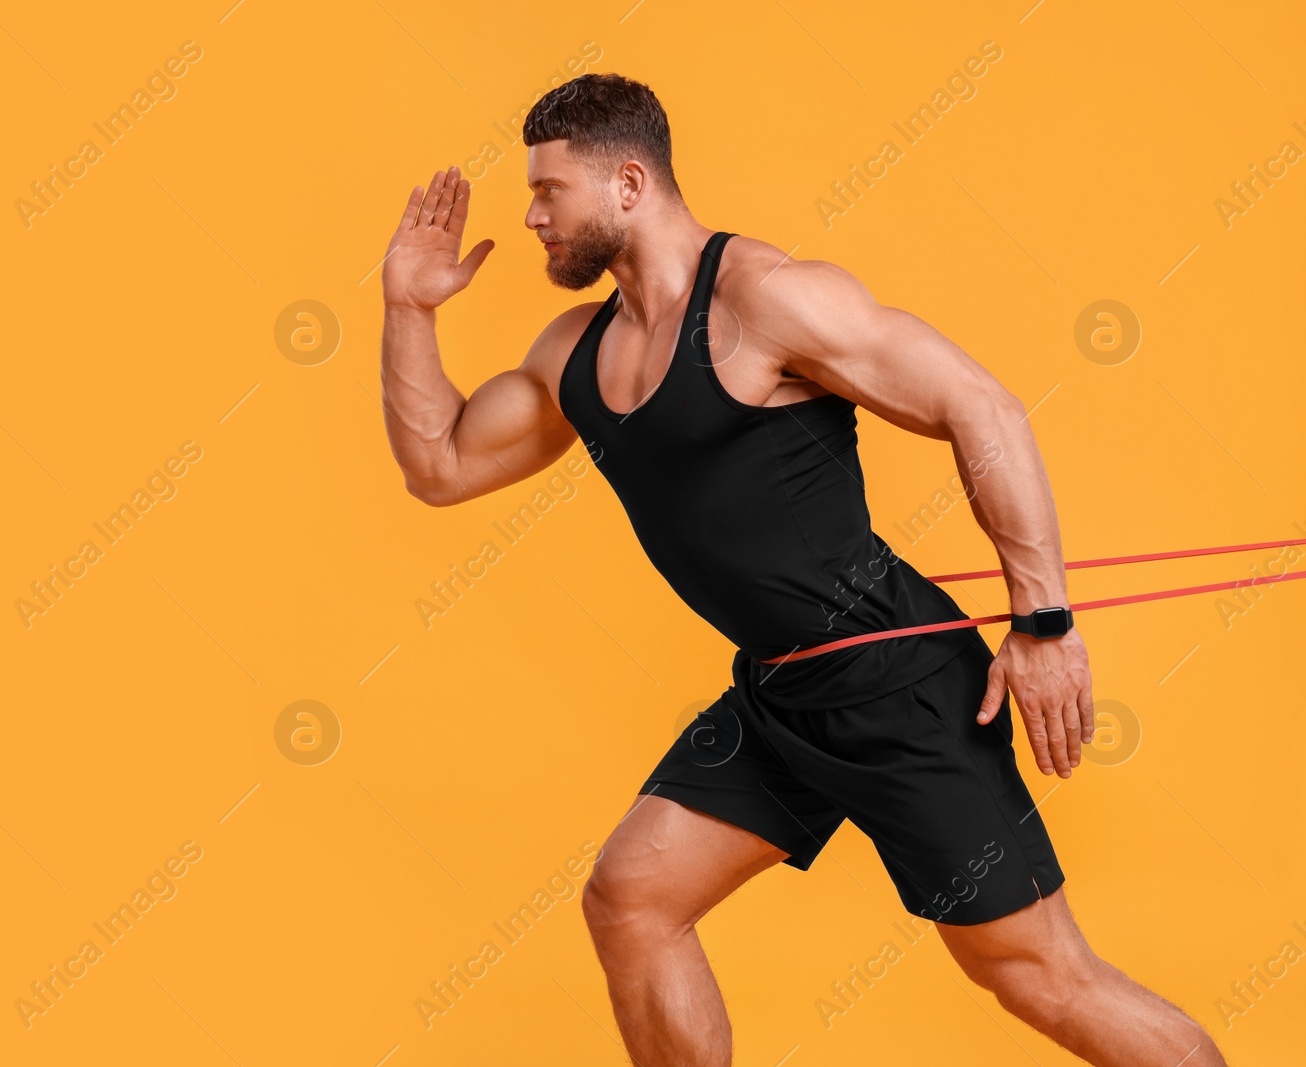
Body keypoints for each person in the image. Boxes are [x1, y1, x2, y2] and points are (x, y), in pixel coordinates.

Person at [377, 71, 1225, 1067]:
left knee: (1039, 976)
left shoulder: (767, 301)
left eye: (548, 192)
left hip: (897, 682)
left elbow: (979, 406)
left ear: (629, 186)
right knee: (632, 900)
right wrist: (406, 306)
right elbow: (438, 463)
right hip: (780, 689)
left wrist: (1040, 624)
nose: (530, 217)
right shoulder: (574, 352)